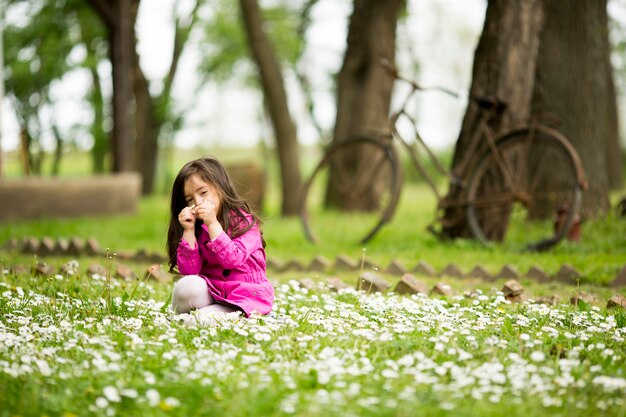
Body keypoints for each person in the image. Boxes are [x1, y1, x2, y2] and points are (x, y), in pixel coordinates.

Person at [166, 156, 274, 322]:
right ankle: (189, 316)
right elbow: (189, 273)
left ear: (221, 188)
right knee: (184, 287)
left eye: (203, 193)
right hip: (213, 291)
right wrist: (188, 231)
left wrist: (212, 223)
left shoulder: (246, 224)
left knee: (200, 320)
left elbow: (232, 259)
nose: (197, 202)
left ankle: (196, 318)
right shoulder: (197, 229)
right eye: (189, 200)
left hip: (244, 298)